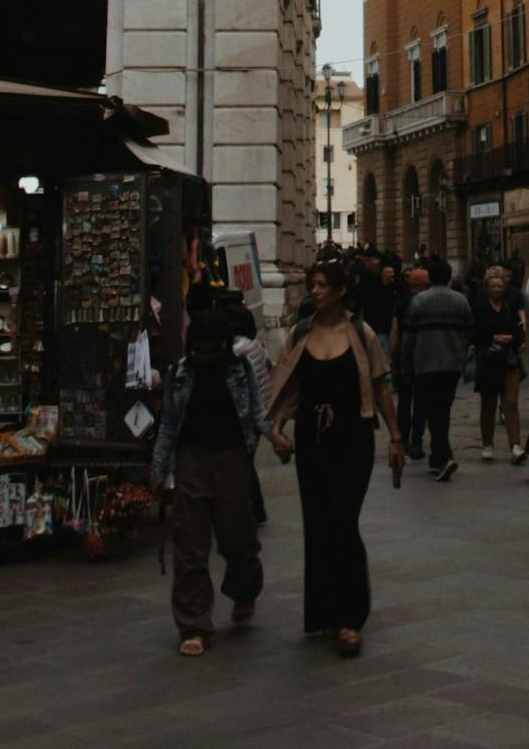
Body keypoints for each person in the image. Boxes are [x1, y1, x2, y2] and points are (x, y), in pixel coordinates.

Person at [266, 258, 403, 657]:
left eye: (323, 284)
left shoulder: (361, 334)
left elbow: (379, 388)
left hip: (353, 436)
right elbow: (290, 387)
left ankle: (350, 618)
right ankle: (324, 614)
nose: (316, 290)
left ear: (342, 289)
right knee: (318, 523)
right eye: (313, 284)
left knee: (343, 521)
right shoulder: (300, 333)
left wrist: (396, 436)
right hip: (313, 438)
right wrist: (277, 427)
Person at [151, 307, 268, 656]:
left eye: (210, 349)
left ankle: (244, 590)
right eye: (197, 349)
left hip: (232, 459)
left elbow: (257, 411)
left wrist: (274, 436)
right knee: (189, 545)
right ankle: (194, 624)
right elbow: (170, 423)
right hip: (191, 461)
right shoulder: (180, 373)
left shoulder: (239, 369)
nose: (203, 356)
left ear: (222, 346)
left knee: (238, 538)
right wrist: (159, 469)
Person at [399, 255, 472, 481]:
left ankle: (446, 456)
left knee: (432, 411)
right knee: (443, 409)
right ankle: (437, 458)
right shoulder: (461, 301)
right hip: (451, 363)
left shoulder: (419, 301)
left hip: (425, 363)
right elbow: (469, 331)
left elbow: (408, 337)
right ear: (449, 277)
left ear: (430, 277)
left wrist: (404, 364)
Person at [472, 264, 526, 461]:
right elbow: (474, 334)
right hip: (488, 361)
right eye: (493, 286)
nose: (496, 289)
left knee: (511, 403)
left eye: (499, 286)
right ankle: (487, 444)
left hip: (509, 360)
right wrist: (493, 338)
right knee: (488, 404)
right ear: (488, 286)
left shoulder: (509, 307)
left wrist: (511, 338)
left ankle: (515, 445)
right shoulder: (480, 308)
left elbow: (520, 331)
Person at [390, 264, 430, 457]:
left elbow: (396, 330)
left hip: (405, 355)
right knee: (421, 402)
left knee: (404, 401)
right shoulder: (428, 302)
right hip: (424, 357)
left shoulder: (403, 301)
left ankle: (403, 439)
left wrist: (392, 354)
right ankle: (416, 442)